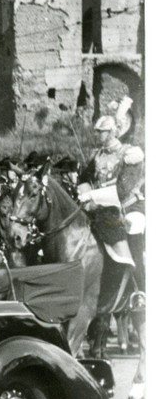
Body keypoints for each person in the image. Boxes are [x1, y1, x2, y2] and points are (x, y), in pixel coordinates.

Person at [79, 114, 145, 278]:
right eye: (98, 131)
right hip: (104, 206)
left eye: (102, 131)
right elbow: (84, 179)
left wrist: (91, 196)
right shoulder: (97, 155)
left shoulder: (130, 154)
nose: (98, 135)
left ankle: (140, 284)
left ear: (112, 132)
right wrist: (85, 196)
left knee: (134, 225)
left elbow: (122, 190)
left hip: (129, 205)